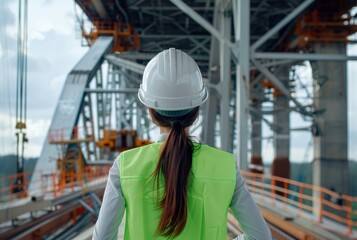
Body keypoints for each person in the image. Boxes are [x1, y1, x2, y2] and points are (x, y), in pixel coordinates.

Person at [93, 48, 271, 240]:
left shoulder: (125, 165)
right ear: (196, 110)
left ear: (151, 112)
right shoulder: (225, 166)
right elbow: (261, 237)